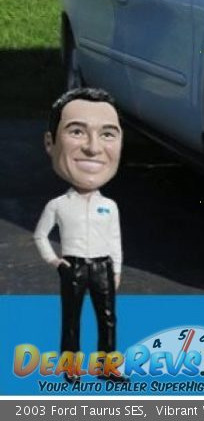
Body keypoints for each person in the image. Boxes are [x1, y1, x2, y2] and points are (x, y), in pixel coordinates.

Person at [33, 87, 125, 384]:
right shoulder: (58, 205)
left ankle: (107, 368)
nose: (93, 148)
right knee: (71, 319)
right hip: (72, 266)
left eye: (108, 134)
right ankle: (70, 369)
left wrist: (117, 269)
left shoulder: (109, 206)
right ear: (51, 142)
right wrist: (55, 260)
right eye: (76, 131)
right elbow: (40, 235)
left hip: (102, 267)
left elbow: (115, 241)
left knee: (108, 319)